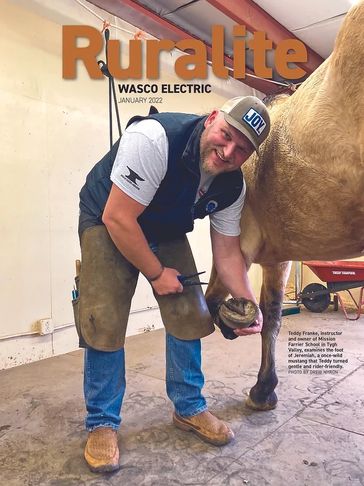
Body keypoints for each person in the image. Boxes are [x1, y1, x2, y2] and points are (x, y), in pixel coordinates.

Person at [75, 96, 270, 473]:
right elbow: (119, 218)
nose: (228, 151)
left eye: (242, 148)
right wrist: (155, 273)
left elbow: (228, 252)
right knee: (104, 318)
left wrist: (249, 303)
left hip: (162, 225)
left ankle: (189, 407)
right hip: (108, 216)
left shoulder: (231, 187)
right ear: (212, 118)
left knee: (190, 314)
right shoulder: (154, 139)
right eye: (225, 135)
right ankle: (102, 422)